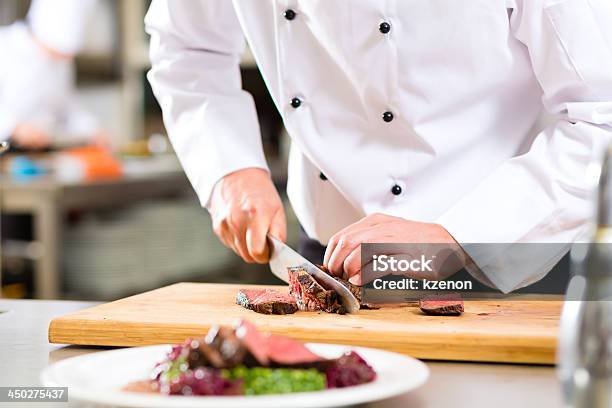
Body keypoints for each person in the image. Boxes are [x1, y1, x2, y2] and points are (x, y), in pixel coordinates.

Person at [145, 0, 612, 293]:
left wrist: (457, 235)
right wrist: (230, 167)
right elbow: (188, 48)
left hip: (504, 254)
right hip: (327, 259)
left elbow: (601, 116)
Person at [0, 0, 100, 150]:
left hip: (39, 153)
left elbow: (68, 108)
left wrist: (92, 130)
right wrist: (14, 127)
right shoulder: (5, 46)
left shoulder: (61, 62)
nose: (66, 58)